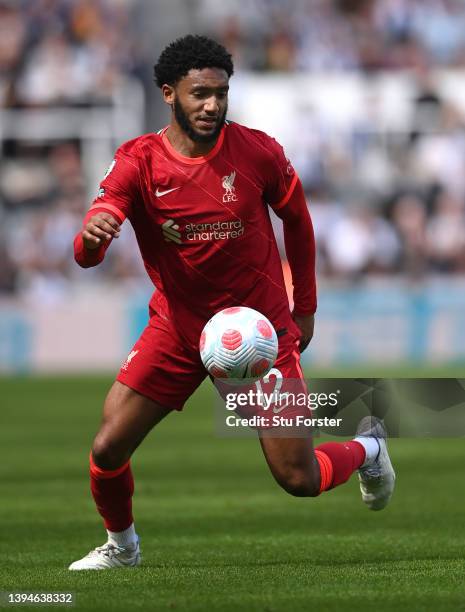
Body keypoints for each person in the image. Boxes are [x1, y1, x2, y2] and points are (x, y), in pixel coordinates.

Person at [69, 35, 395, 571]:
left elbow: (300, 224)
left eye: (221, 93)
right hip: (178, 329)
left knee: (298, 479)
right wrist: (93, 237)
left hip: (259, 333)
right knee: (107, 448)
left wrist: (304, 309)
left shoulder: (257, 151)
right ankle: (122, 548)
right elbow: (85, 255)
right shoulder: (138, 161)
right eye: (200, 94)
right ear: (169, 93)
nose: (212, 105)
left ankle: (370, 449)